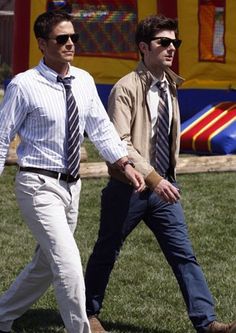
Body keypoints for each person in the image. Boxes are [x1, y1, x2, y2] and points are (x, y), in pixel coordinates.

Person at [84, 14, 236, 333]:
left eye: (174, 43)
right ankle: (87, 312)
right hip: (130, 188)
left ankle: (207, 323)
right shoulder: (125, 88)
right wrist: (154, 178)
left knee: (184, 255)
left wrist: (164, 179)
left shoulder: (170, 84)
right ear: (143, 47)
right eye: (163, 42)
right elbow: (119, 142)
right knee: (106, 251)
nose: (171, 48)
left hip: (164, 189)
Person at [0, 10, 145, 333]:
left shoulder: (84, 80)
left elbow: (101, 129)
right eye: (61, 39)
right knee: (67, 263)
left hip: (72, 188)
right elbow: (1, 136)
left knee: (45, 266)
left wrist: (124, 163)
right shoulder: (24, 85)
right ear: (42, 43)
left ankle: (2, 315)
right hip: (37, 184)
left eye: (73, 38)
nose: (70, 44)